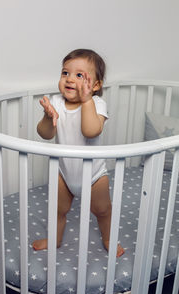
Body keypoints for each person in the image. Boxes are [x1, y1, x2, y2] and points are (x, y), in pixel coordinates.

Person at [32, 49, 124, 257]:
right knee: (58, 210)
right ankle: (54, 239)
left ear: (96, 85)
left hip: (94, 175)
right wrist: (49, 118)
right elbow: (45, 134)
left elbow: (90, 131)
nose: (70, 79)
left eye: (79, 75)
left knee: (102, 211)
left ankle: (108, 238)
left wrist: (87, 101)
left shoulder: (97, 104)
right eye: (65, 73)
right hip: (64, 173)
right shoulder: (55, 103)